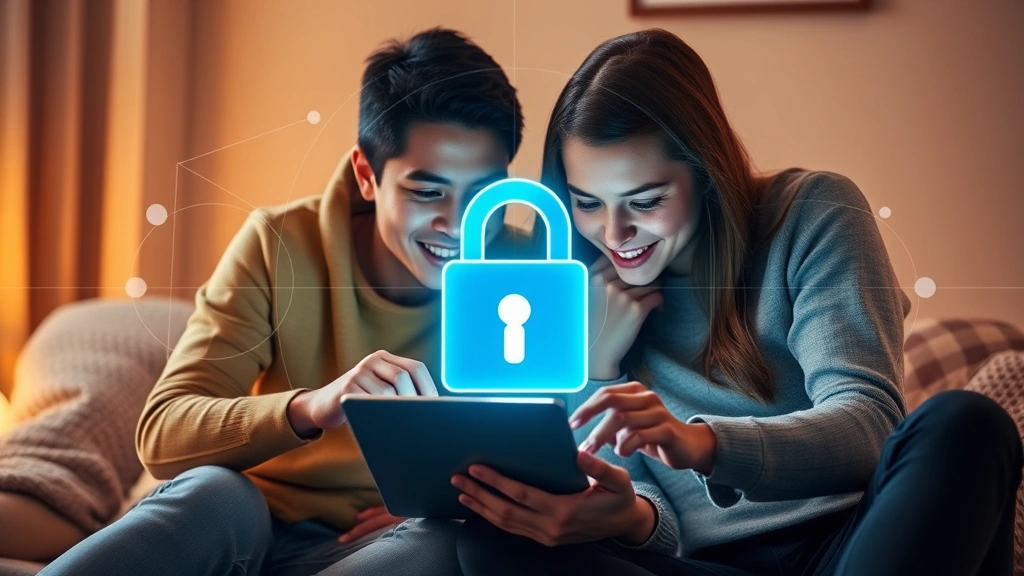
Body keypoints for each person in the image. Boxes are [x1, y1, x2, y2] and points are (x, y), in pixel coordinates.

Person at [452, 29, 1023, 576]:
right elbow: (659, 526)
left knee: (968, 423)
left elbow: (871, 426)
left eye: (645, 200)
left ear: (705, 173)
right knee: (490, 546)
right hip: (710, 567)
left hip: (858, 544)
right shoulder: (574, 288)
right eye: (587, 202)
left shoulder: (813, 213)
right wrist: (595, 371)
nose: (614, 232)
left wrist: (704, 443)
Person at [42, 27, 529, 576]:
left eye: (485, 194)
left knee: (440, 547)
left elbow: (552, 459)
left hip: (377, 546)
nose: (460, 224)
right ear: (367, 175)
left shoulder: (531, 269)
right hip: (247, 522)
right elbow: (163, 434)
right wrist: (311, 407)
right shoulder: (279, 244)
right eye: (426, 191)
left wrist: (445, 513)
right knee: (214, 494)